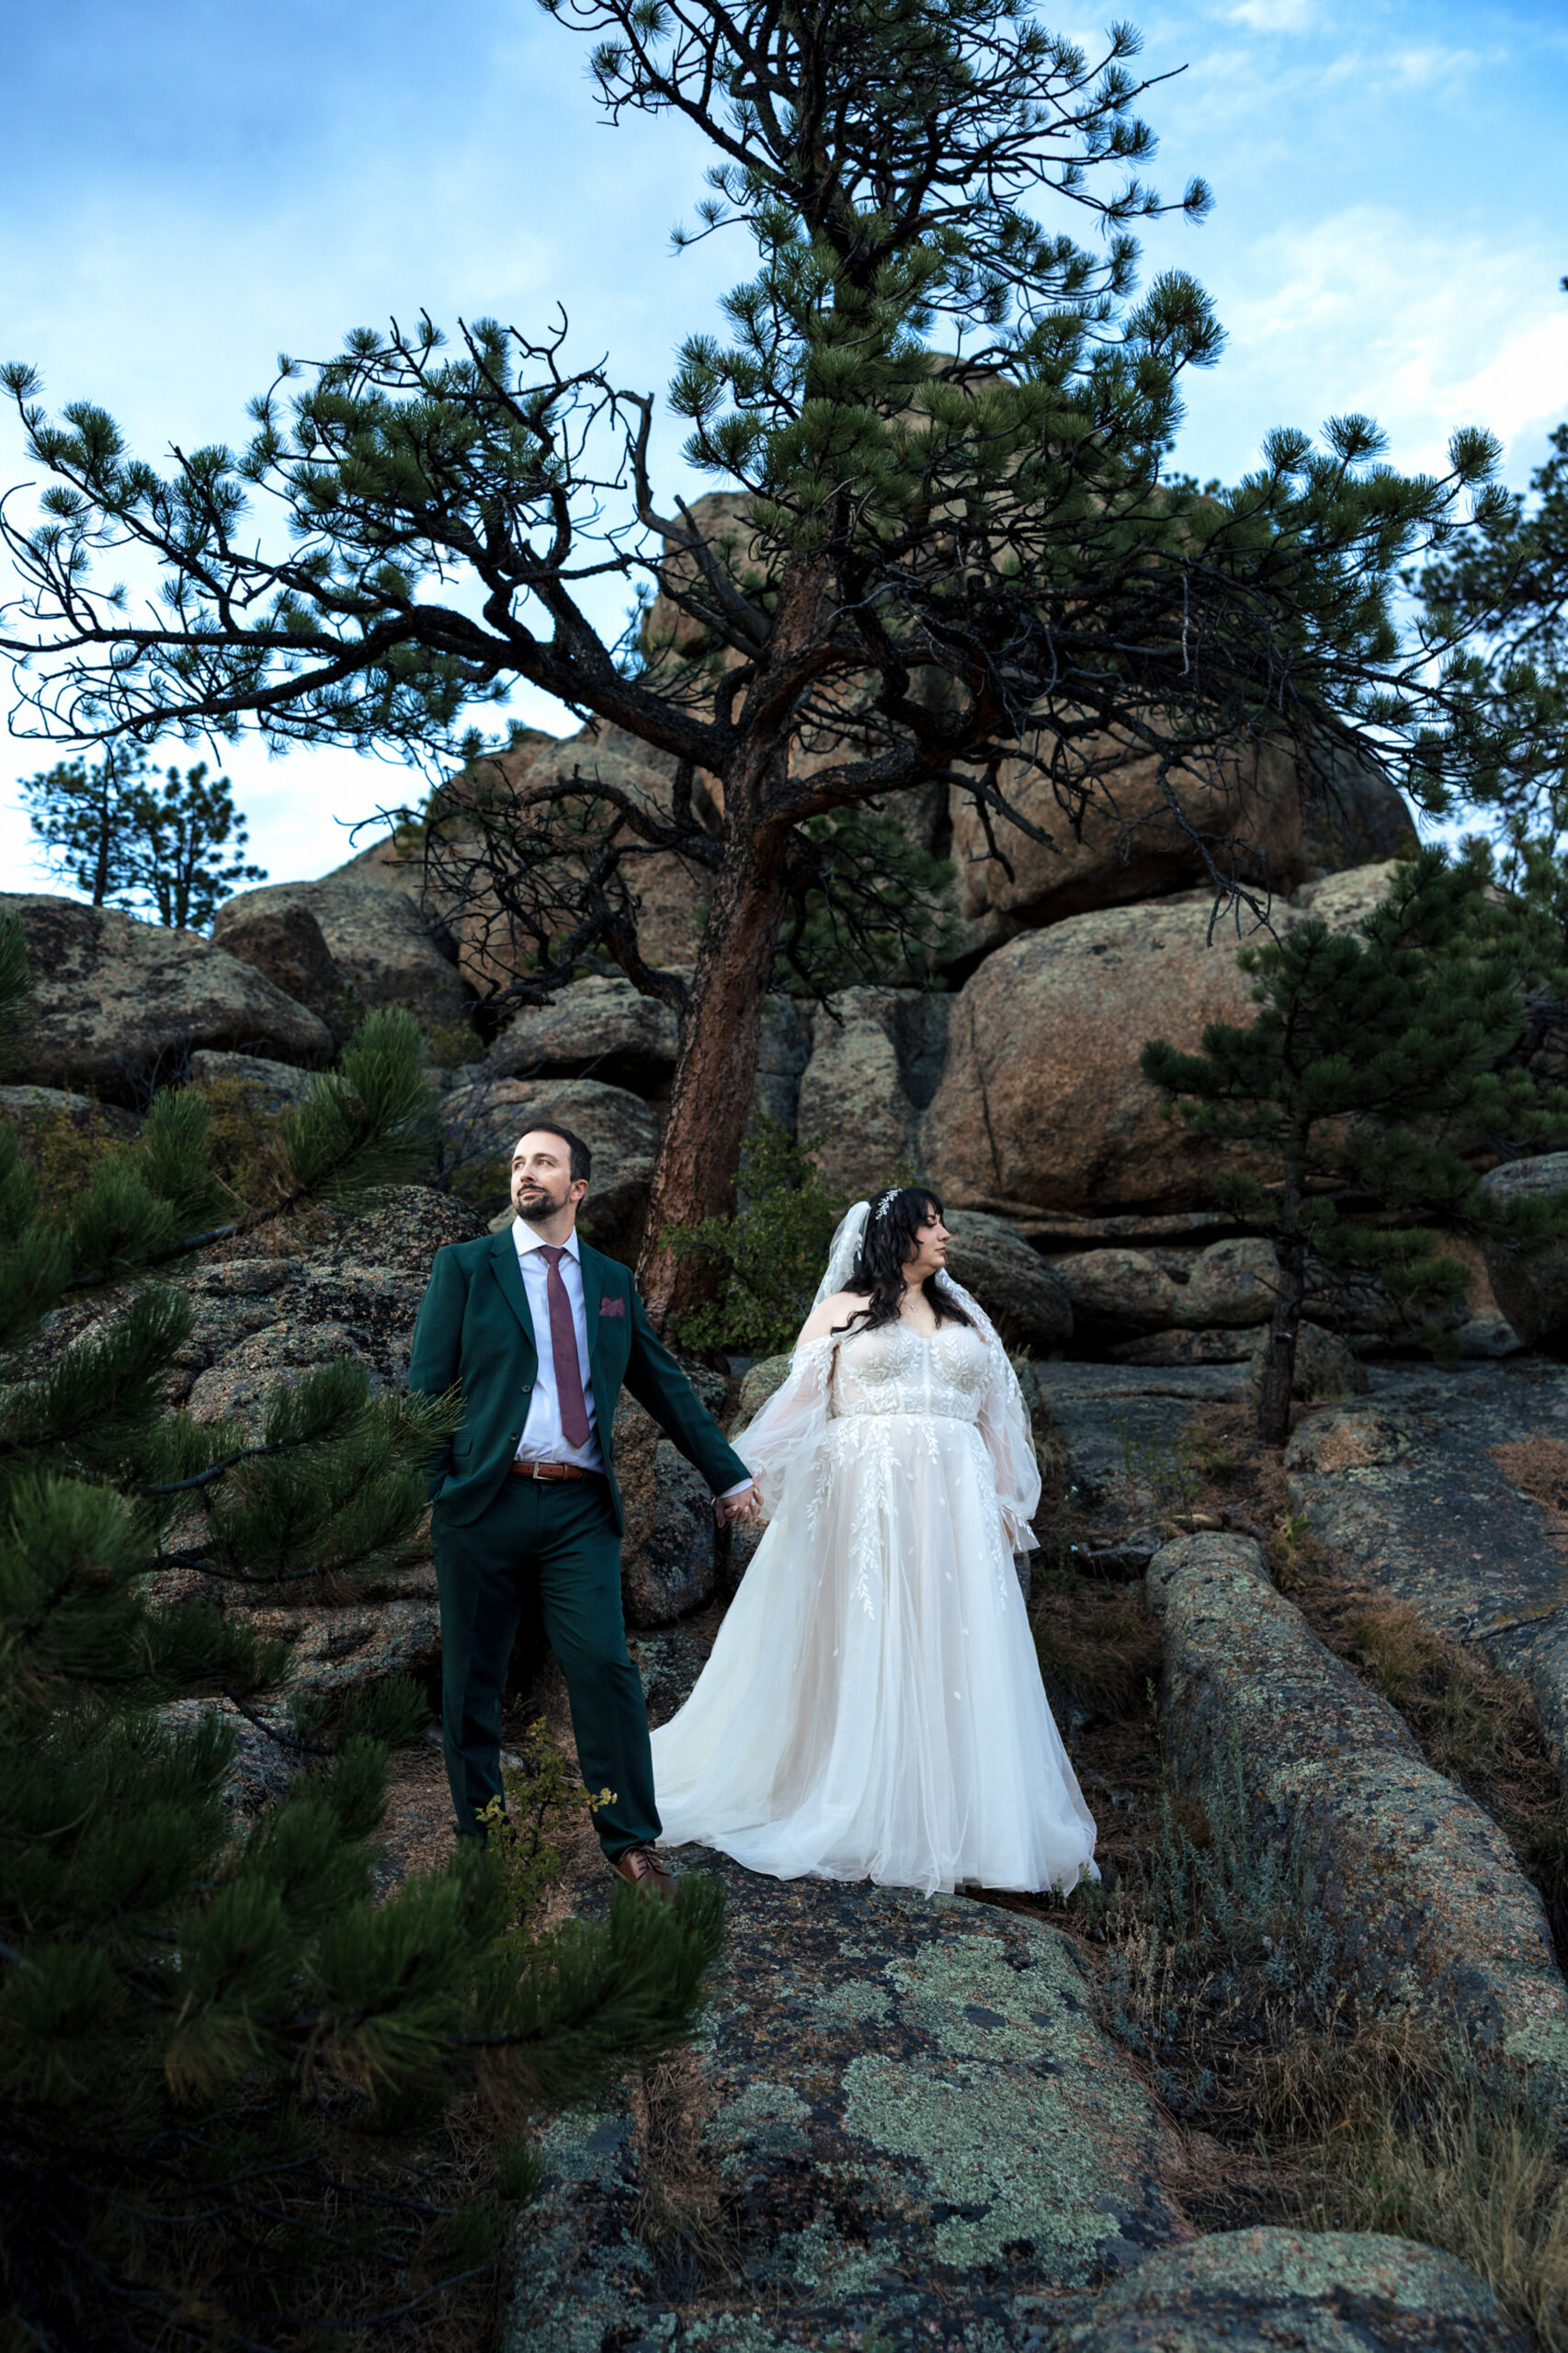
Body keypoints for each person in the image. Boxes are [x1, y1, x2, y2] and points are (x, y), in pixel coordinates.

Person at [651, 1188, 1098, 1897]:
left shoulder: (966, 1317)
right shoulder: (842, 1311)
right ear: (897, 1235)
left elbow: (999, 1417)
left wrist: (1012, 1500)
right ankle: (858, 1800)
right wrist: (745, 1473)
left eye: (943, 1222)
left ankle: (967, 1821)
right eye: (931, 1223)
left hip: (955, 1506)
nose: (945, 1234)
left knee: (953, 1645)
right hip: (866, 1499)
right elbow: (797, 1405)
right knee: (869, 1636)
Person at [407, 1121, 762, 1897]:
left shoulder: (610, 1283)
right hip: (484, 1502)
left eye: (543, 1161)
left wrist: (727, 1475)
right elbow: (426, 1390)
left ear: (579, 1189)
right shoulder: (466, 1268)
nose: (525, 1172)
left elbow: (666, 1386)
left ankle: (631, 1843)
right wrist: (437, 1491)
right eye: (516, 1161)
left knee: (605, 1669)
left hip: (577, 1511)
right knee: (472, 1681)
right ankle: (485, 1844)